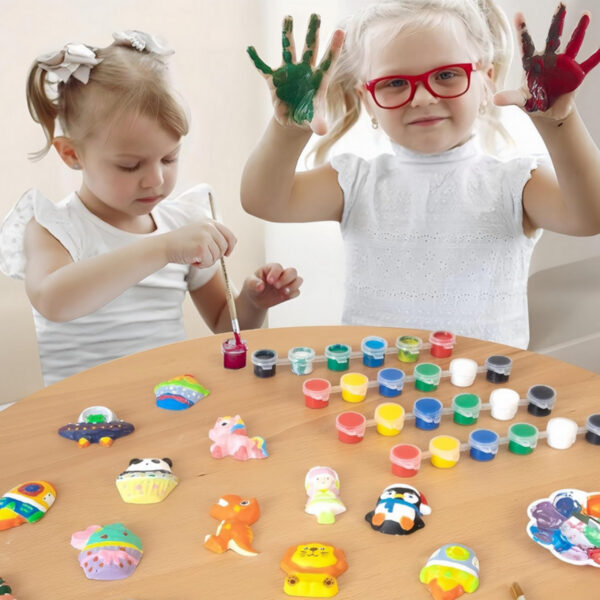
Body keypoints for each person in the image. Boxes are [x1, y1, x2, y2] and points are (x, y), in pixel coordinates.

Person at [242, 1, 600, 349]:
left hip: (485, 386)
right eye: (395, 82)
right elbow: (264, 201)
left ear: (486, 82)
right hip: (372, 383)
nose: (423, 97)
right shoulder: (356, 181)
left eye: (446, 75)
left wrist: (559, 123)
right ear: (368, 101)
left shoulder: (514, 183)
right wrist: (287, 128)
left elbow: (590, 215)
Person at [0, 31, 302, 386]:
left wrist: (253, 301)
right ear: (71, 154)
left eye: (169, 158)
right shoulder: (55, 228)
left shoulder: (182, 222)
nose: (155, 180)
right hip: (83, 412)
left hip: (167, 403)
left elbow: (225, 326)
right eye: (130, 166)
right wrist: (162, 248)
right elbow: (52, 301)